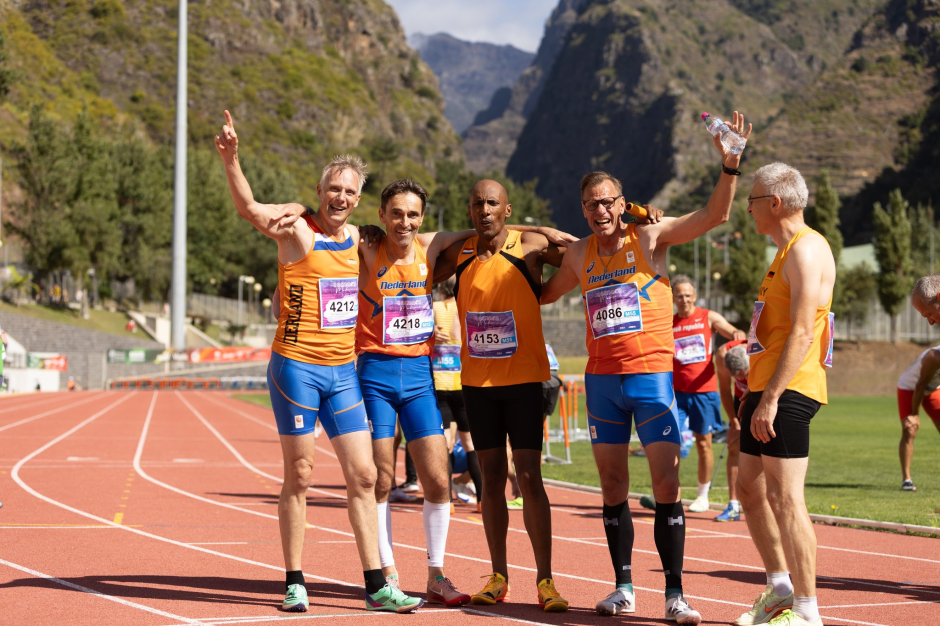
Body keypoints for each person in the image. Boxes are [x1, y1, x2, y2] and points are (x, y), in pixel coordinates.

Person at [541, 110, 751, 623]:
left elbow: (713, 217)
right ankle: (623, 588)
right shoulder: (577, 255)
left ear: (622, 202)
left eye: (608, 202)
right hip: (601, 382)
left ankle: (675, 594)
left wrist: (730, 165)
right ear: (583, 210)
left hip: (652, 378)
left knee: (666, 487)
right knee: (612, 486)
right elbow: (541, 296)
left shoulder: (650, 239)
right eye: (590, 205)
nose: (600, 211)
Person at [214, 112, 424, 614]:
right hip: (297, 370)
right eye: (333, 189)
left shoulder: (361, 240)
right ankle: (294, 580)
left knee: (368, 476)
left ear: (357, 200)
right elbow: (248, 208)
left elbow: (412, 232)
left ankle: (377, 584)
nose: (340, 198)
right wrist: (232, 160)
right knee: (302, 474)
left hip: (342, 373)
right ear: (320, 189)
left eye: (349, 192)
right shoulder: (296, 231)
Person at [433, 179, 573, 612]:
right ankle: (498, 576)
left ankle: (546, 580)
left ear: (506, 209)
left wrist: (541, 229)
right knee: (491, 480)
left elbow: (580, 252)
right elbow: (419, 261)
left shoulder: (528, 245)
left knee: (529, 476)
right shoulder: (462, 254)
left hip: (525, 381)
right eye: (476, 204)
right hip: (477, 384)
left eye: (492, 203)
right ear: (469, 210)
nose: (484, 210)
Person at [733, 162, 835, 626]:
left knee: (785, 497)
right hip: (765, 385)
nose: (747, 208)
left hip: (790, 388)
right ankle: (779, 589)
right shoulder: (783, 252)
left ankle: (808, 611)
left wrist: (770, 397)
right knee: (749, 490)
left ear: (774, 203)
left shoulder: (808, 250)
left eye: (751, 200)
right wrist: (753, 393)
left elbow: (801, 333)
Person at [671, 276, 746, 514]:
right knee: (669, 444)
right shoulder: (668, 322)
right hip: (676, 392)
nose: (683, 300)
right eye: (679, 296)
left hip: (703, 392)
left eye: (687, 295)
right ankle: (670, 493)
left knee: (704, 444)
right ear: (673, 298)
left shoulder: (707, 317)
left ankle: (702, 496)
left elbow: (731, 329)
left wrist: (736, 333)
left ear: (695, 296)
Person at [432, 277, 484, 511]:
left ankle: (448, 500)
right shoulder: (466, 307)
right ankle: (483, 499)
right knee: (470, 442)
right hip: (463, 383)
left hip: (439, 383)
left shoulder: (434, 308)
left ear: (440, 288)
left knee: (446, 443)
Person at [894, 344, 940, 492]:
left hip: (933, 390)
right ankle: (906, 479)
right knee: (910, 429)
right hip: (910, 387)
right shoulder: (934, 357)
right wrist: (915, 414)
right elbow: (920, 385)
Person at [714, 341, 748, 521]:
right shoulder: (721, 355)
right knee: (734, 446)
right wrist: (734, 422)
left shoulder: (760, 350)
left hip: (765, 394)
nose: (739, 378)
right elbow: (725, 390)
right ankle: (733, 506)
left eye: (743, 375)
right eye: (736, 376)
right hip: (740, 399)